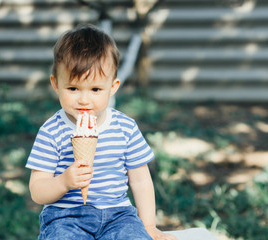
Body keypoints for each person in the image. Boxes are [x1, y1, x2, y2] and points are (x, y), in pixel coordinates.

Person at [26, 24, 177, 240]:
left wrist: (149, 226)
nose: (84, 100)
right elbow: (37, 191)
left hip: (119, 216)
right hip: (65, 217)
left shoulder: (125, 127)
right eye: (73, 88)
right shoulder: (51, 131)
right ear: (55, 84)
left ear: (113, 87)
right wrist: (64, 181)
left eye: (96, 89)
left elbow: (141, 180)